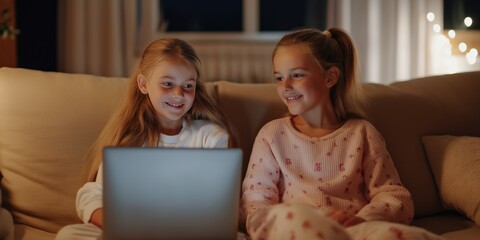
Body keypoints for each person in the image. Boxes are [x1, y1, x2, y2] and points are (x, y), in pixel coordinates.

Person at [239, 28, 444, 240]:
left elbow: (395, 197)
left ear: (331, 77)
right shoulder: (272, 135)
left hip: (354, 231)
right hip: (297, 231)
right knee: (290, 218)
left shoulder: (362, 133)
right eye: (279, 78)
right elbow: (255, 201)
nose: (285, 86)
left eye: (297, 75)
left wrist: (364, 219)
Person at [56, 38, 232, 240]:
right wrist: (119, 225)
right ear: (143, 84)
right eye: (167, 84)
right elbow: (93, 194)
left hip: (186, 232)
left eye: (188, 86)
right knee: (69, 235)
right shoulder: (129, 140)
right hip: (132, 232)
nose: (178, 94)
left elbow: (217, 203)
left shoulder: (210, 137)